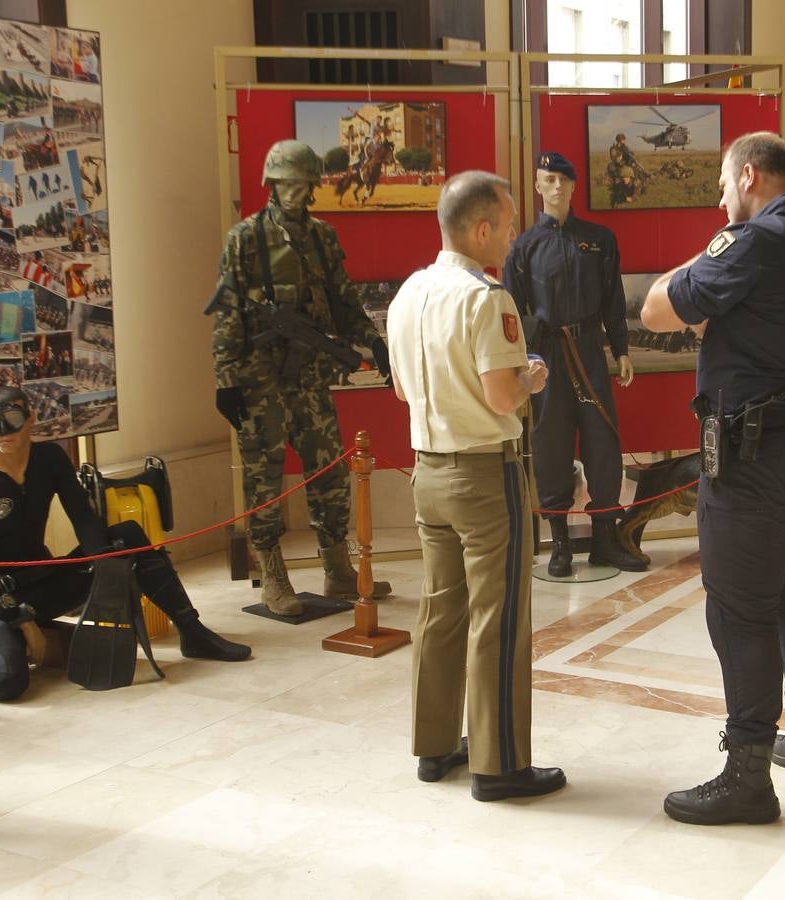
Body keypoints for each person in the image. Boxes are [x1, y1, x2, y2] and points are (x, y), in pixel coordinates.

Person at [641, 131, 785, 825]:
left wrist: (704, 257)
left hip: (756, 460)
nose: (722, 201)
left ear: (751, 176)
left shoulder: (753, 242)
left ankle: (747, 774)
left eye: (725, 187)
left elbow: (657, 308)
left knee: (740, 610)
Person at [385, 170, 566, 803]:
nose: (514, 238)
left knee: (440, 609)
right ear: (482, 228)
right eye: (510, 226)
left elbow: (403, 390)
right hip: (485, 475)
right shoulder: (488, 299)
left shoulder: (408, 293)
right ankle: (500, 763)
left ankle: (434, 747)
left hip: (427, 470)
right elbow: (501, 395)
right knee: (500, 617)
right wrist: (532, 379)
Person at [0, 387, 250, 702]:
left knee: (126, 538)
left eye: (13, 422)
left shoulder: (49, 459)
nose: (3, 432)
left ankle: (192, 632)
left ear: (31, 420)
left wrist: (104, 563)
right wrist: (18, 619)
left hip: (38, 582)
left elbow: (85, 520)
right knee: (6, 682)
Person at [211, 139, 393, 616]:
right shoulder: (245, 238)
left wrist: (373, 340)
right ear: (272, 183)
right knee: (264, 479)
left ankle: (336, 568)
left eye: (302, 183)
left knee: (328, 470)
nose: (294, 191)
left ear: (313, 186)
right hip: (258, 378)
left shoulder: (322, 237)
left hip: (309, 376)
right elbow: (228, 313)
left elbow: (343, 303)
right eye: (285, 182)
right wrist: (226, 378)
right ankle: (272, 573)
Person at [503, 152, 643, 576]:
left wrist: (621, 350)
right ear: (538, 185)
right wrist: (524, 359)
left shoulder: (600, 239)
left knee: (603, 443)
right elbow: (510, 308)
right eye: (550, 180)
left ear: (574, 186)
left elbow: (614, 302)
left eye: (565, 180)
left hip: (590, 354)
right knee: (552, 445)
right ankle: (559, 543)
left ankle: (604, 539)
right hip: (545, 357)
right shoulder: (524, 247)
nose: (558, 187)